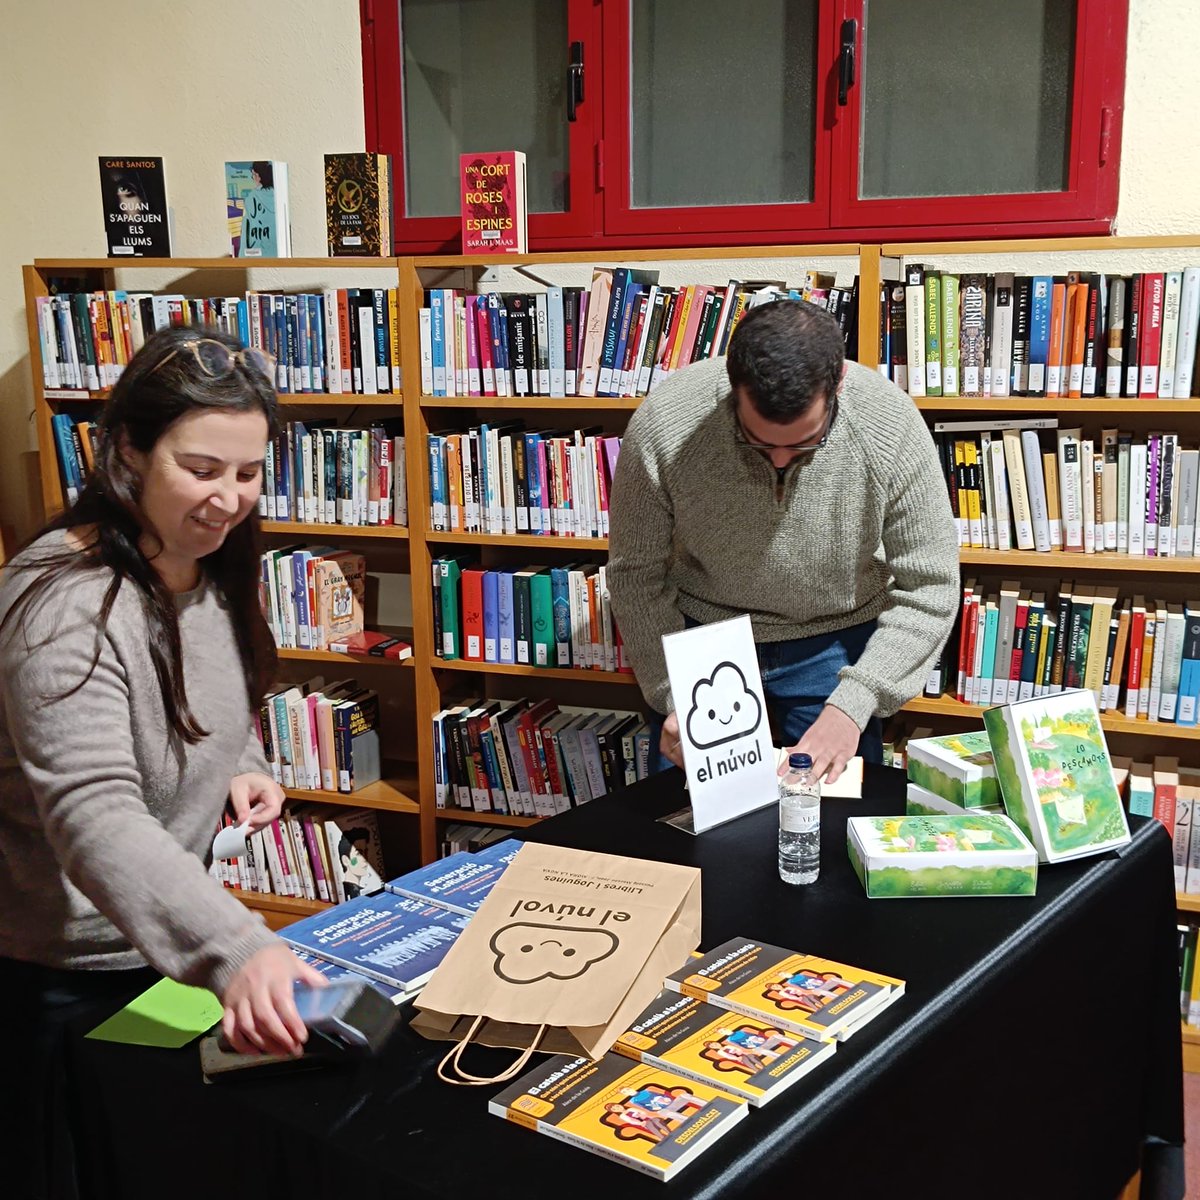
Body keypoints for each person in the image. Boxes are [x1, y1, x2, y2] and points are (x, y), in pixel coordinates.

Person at [0, 327, 326, 1197]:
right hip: (57, 979)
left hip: (154, 952)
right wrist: (237, 948)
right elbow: (95, 814)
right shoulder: (66, 602)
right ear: (127, 454)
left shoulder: (198, 562)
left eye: (248, 473)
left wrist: (239, 758)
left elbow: (198, 689)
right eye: (201, 468)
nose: (228, 499)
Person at [607, 299, 959, 784]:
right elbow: (635, 574)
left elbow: (931, 587)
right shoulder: (667, 423)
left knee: (831, 818)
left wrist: (854, 704)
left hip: (836, 645)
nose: (778, 460)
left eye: (804, 442)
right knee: (687, 816)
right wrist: (675, 694)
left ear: (838, 385)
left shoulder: (890, 425)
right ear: (733, 390)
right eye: (757, 441)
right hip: (704, 644)